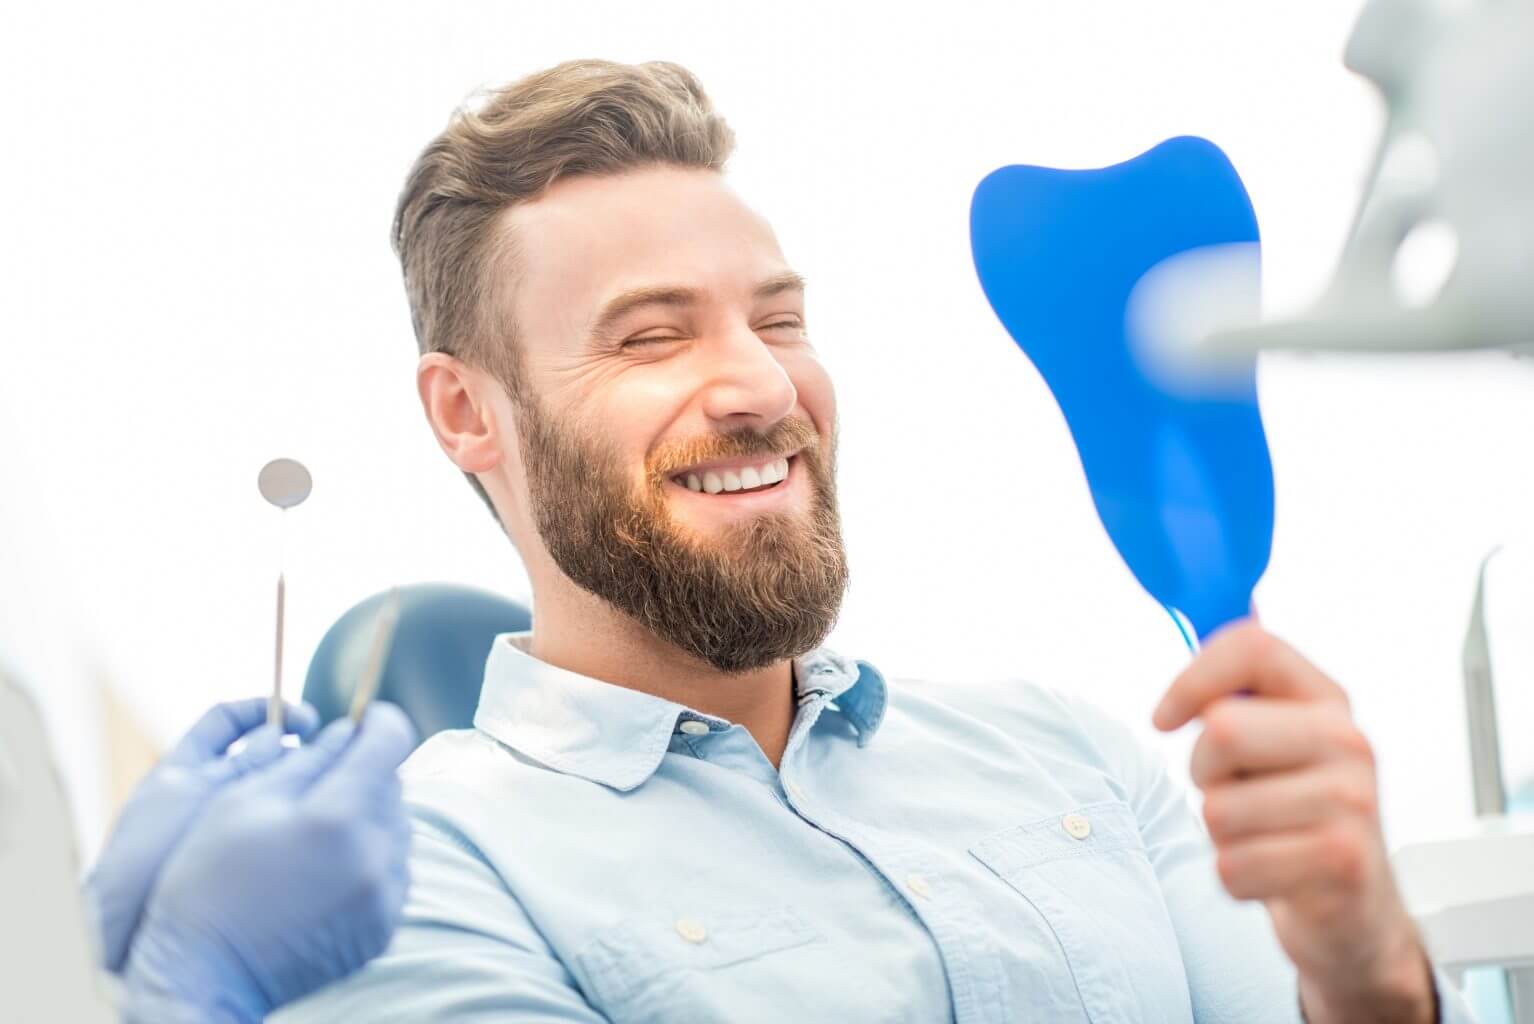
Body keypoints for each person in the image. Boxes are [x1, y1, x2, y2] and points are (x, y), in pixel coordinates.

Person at [275, 60, 1474, 1022]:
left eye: (780, 318)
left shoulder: (1072, 757)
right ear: (465, 412)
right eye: (650, 337)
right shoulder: (407, 883)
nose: (759, 383)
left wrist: (1366, 971)